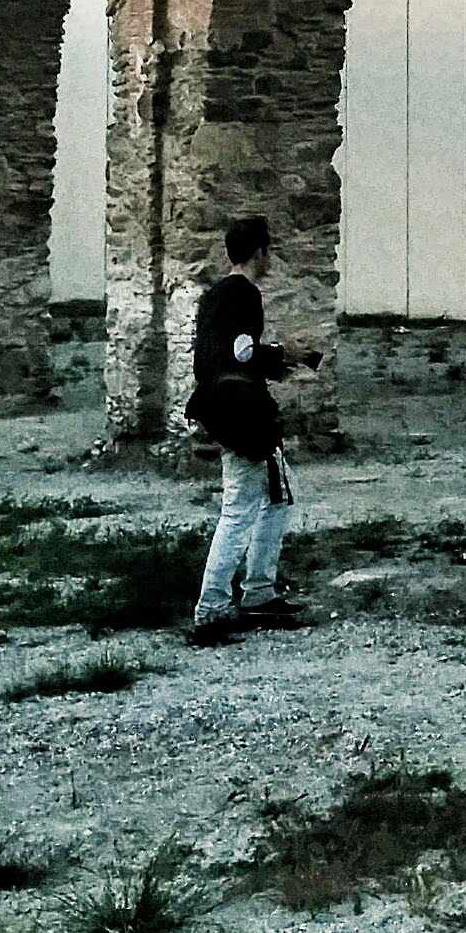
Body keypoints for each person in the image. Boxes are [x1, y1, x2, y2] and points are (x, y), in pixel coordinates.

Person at [184, 215, 304, 643]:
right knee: (240, 508)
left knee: (276, 498)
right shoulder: (244, 294)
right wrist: (283, 355)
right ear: (259, 253)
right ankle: (213, 605)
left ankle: (257, 591)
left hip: (225, 409)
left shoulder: (214, 295)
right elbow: (243, 353)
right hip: (242, 412)